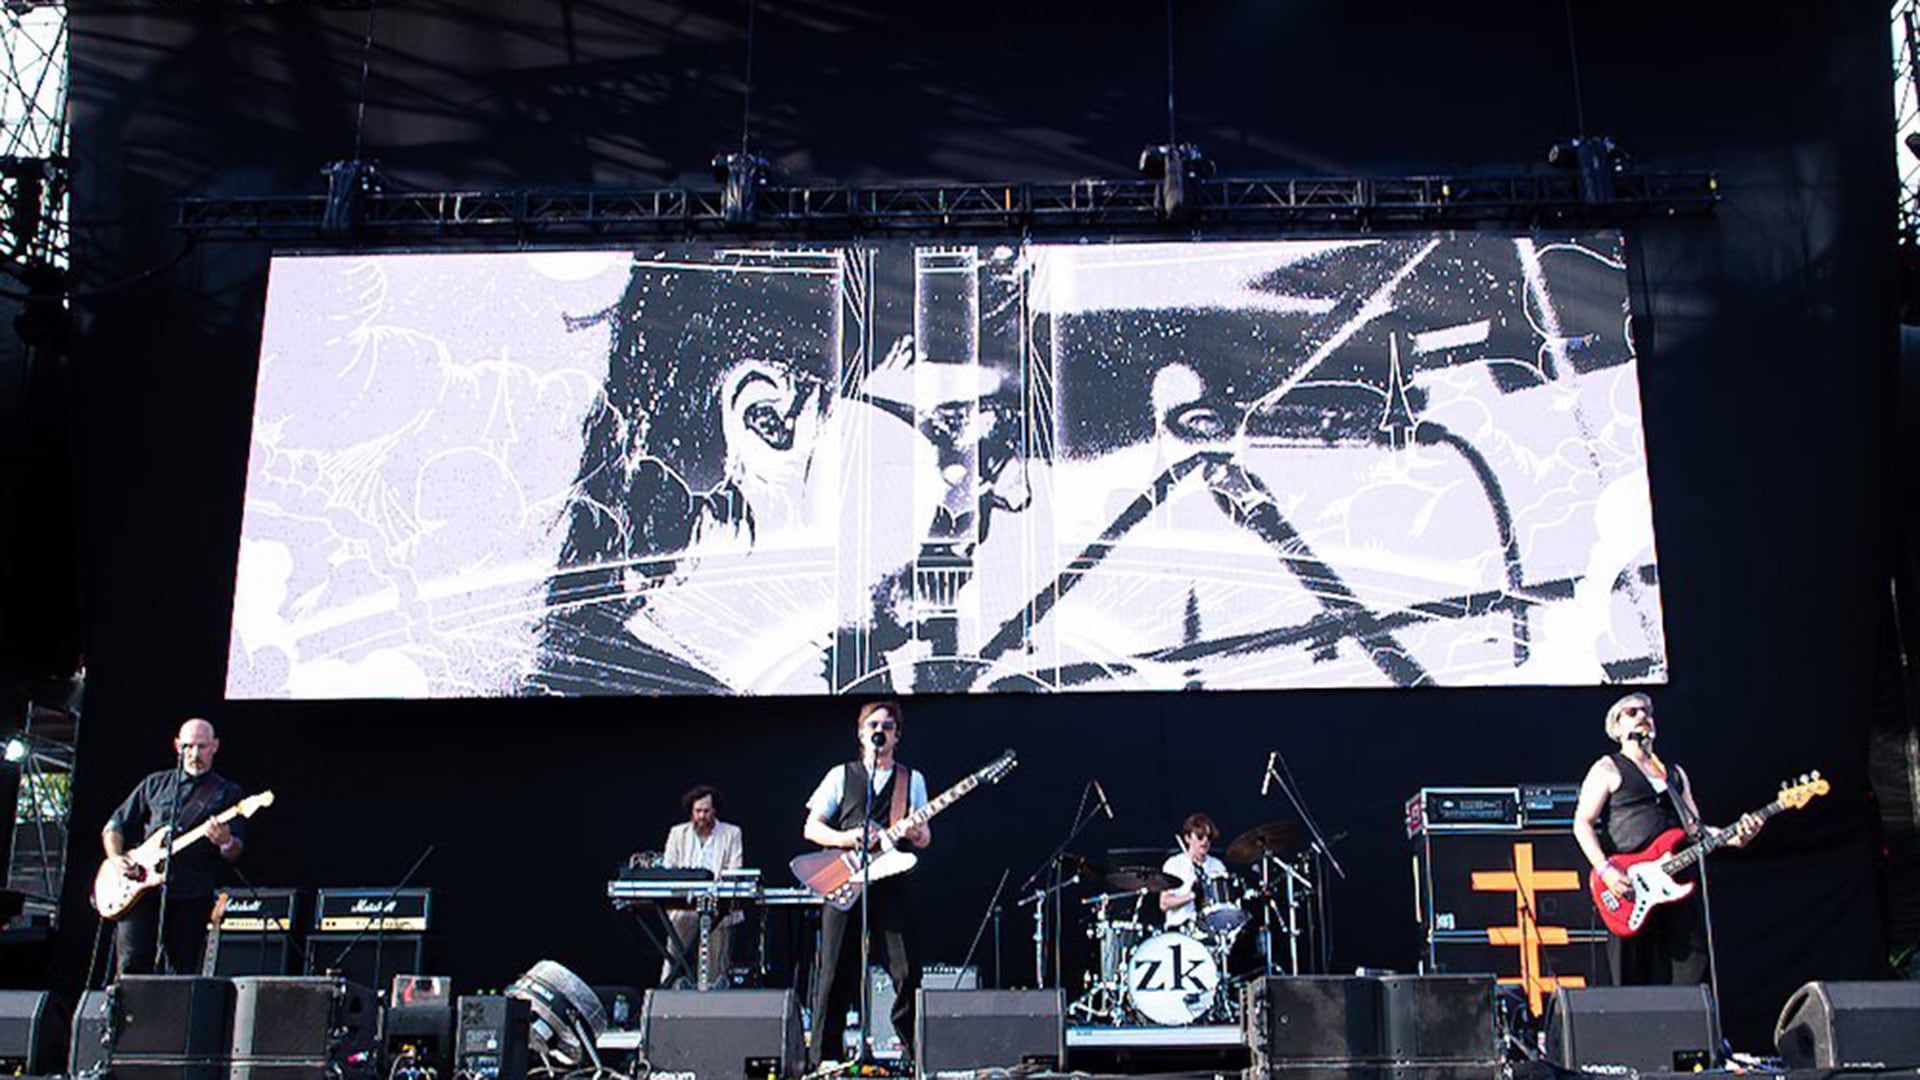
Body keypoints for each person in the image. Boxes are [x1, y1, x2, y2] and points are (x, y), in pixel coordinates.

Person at [1572, 693, 1762, 985]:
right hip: (1628, 882)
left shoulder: (1674, 774)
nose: (1642, 715)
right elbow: (1582, 823)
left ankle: (1688, 1026)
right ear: (1617, 727)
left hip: (1675, 875)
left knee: (1692, 963)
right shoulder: (1607, 768)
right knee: (1630, 972)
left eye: (1647, 711)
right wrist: (1606, 870)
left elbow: (1695, 830)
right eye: (1632, 712)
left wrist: (1735, 836)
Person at [802, 701, 931, 1067]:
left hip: (892, 880)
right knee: (835, 968)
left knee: (906, 969)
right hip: (847, 877)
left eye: (889, 725)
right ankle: (825, 1058)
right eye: (874, 724)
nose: (881, 730)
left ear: (897, 735)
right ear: (861, 733)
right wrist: (849, 838)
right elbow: (812, 828)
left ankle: (912, 1052)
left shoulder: (912, 779)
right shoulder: (841, 775)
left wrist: (918, 832)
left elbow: (924, 838)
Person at [101, 718, 246, 976]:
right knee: (131, 964)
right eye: (188, 747)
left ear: (214, 747)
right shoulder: (155, 784)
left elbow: (235, 852)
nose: (194, 754)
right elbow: (115, 825)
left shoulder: (226, 793)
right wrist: (115, 858)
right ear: (177, 746)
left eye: (201, 747)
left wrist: (225, 841)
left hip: (190, 893)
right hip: (141, 893)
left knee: (181, 971)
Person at [659, 784, 745, 989]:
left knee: (716, 962)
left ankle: (711, 1001)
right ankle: (668, 992)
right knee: (674, 951)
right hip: (684, 905)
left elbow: (735, 868)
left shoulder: (731, 833)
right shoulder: (677, 833)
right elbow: (668, 869)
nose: (702, 816)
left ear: (714, 810)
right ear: (691, 811)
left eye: (706, 811)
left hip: (719, 908)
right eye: (698, 811)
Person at [1159, 812, 1229, 930]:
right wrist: (1192, 895)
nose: (1205, 841)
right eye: (1200, 836)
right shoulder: (1174, 864)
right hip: (1180, 930)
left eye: (1209, 837)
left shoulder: (1218, 866)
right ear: (1187, 838)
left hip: (1211, 930)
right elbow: (1164, 904)